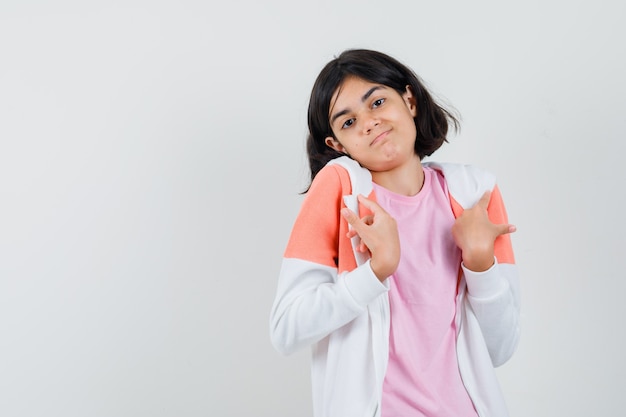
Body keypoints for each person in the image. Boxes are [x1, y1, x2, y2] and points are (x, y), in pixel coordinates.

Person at [269, 49, 520, 417]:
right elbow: (287, 329)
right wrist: (374, 273)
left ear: (410, 100)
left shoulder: (475, 194)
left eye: (378, 102)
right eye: (348, 122)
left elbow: (501, 348)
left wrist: (481, 265)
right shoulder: (340, 191)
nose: (368, 122)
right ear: (337, 145)